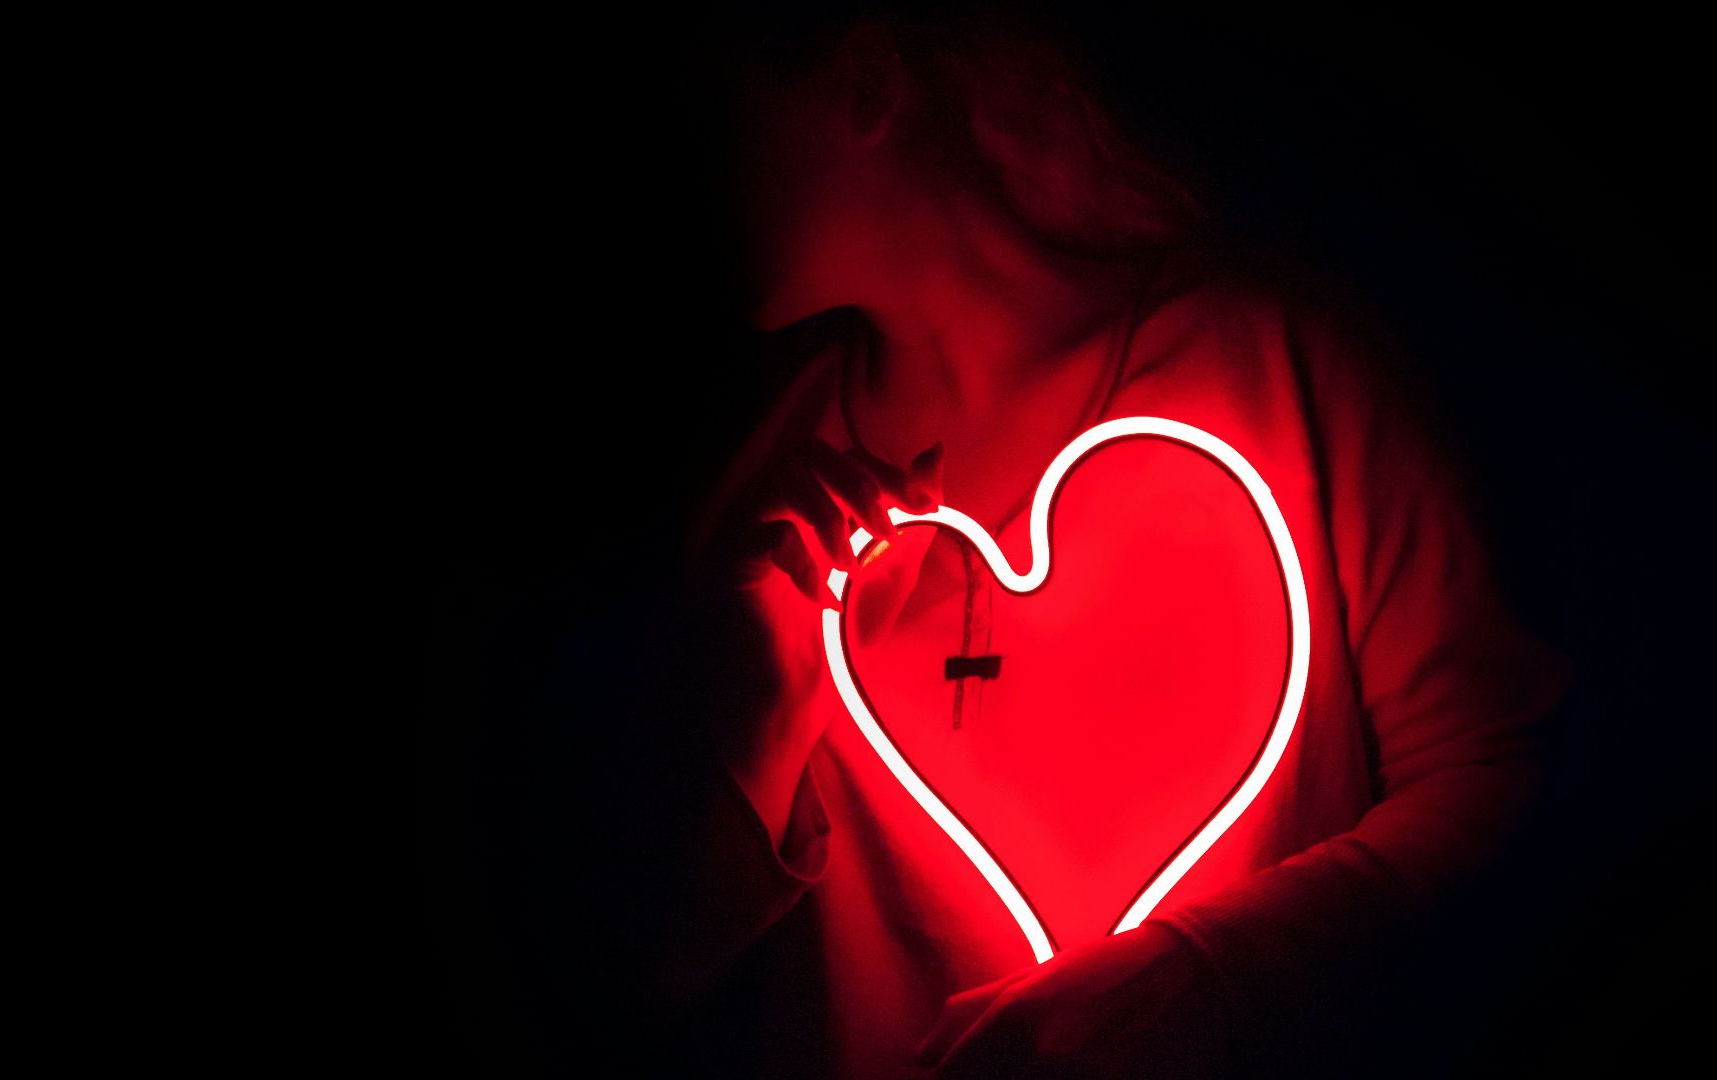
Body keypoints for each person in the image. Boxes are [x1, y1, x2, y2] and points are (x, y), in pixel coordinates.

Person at [522, 5, 1571, 1077]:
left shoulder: (1279, 367)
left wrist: (1198, 980)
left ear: (868, 85)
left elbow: (1510, 780)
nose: (663, 153)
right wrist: (751, 724)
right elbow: (629, 979)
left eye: (708, 104)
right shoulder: (765, 498)